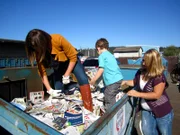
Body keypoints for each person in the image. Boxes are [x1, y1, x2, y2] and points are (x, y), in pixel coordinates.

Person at [25, 29, 93, 111]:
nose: (37, 50)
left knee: (83, 79)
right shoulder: (38, 53)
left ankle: (89, 108)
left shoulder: (57, 39)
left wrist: (67, 75)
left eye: (38, 47)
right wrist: (49, 89)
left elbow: (73, 57)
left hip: (72, 62)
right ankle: (61, 110)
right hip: (58, 66)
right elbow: (42, 73)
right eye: (34, 48)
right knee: (58, 88)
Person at [121, 49, 173, 135]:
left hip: (162, 111)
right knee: (147, 132)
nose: (143, 63)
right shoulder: (140, 72)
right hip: (146, 110)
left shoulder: (159, 77)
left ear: (153, 62)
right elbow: (135, 82)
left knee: (164, 133)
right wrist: (125, 82)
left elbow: (156, 95)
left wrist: (137, 94)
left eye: (146, 61)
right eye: (143, 59)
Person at [90, 38, 124, 110]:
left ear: (98, 48)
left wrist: (93, 80)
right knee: (108, 92)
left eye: (96, 50)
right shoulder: (110, 55)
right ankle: (114, 105)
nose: (97, 51)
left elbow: (101, 69)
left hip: (113, 80)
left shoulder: (102, 56)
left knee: (108, 96)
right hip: (118, 78)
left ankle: (110, 114)